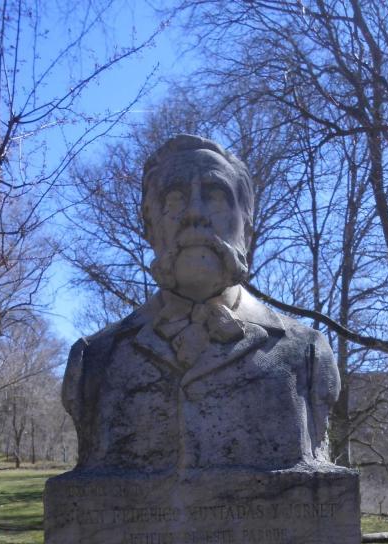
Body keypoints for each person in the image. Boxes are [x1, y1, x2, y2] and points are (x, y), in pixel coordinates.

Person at [62, 134, 340, 473]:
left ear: (247, 225)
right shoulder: (93, 362)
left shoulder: (307, 354)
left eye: (216, 197)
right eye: (175, 199)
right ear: (149, 225)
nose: (195, 214)